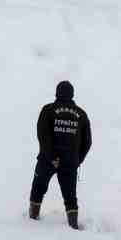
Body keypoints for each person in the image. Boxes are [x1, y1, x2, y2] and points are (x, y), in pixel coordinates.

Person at [29, 80, 91, 229]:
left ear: (57, 93)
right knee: (70, 197)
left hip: (47, 160)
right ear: (72, 94)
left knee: (38, 188)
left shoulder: (48, 110)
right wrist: (77, 160)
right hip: (70, 162)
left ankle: (32, 220)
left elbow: (43, 136)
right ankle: (73, 225)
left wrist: (52, 157)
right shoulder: (81, 115)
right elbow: (87, 142)